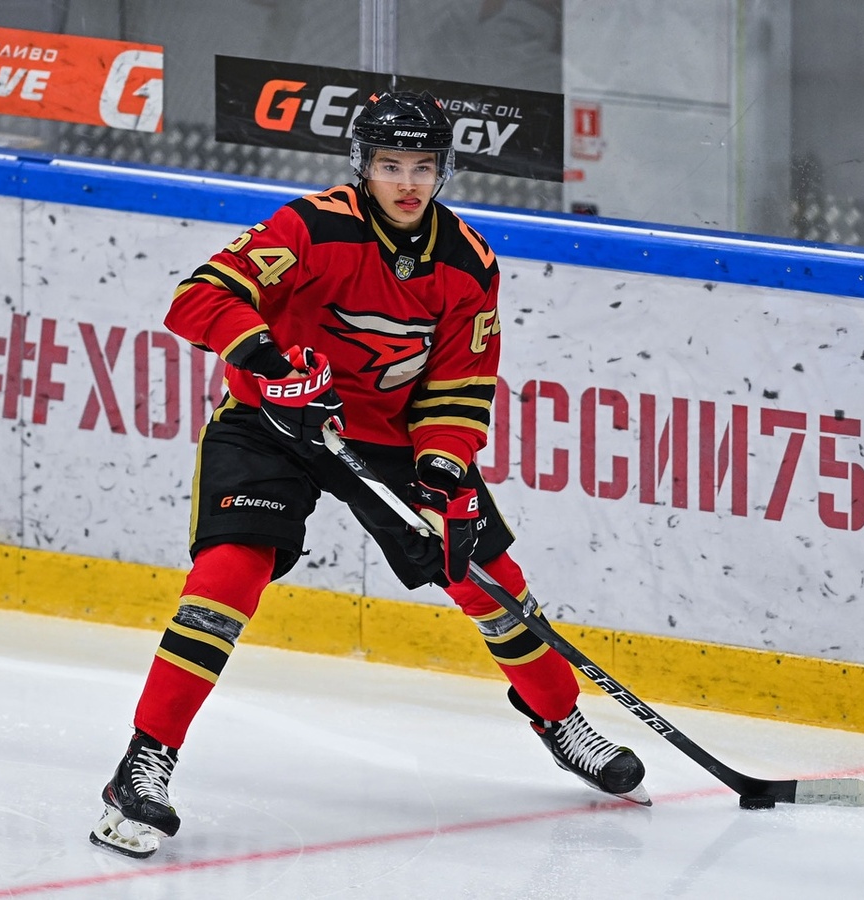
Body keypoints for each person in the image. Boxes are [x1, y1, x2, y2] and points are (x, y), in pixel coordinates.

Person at [90, 90, 648, 859]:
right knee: (227, 576)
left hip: (389, 438)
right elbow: (200, 297)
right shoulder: (311, 227)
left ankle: (562, 719)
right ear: (363, 166)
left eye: (423, 167)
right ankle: (143, 763)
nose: (408, 183)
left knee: (490, 578)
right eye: (391, 165)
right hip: (273, 421)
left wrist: (443, 477)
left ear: (444, 169)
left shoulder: (467, 263)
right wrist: (265, 359)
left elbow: (458, 388)